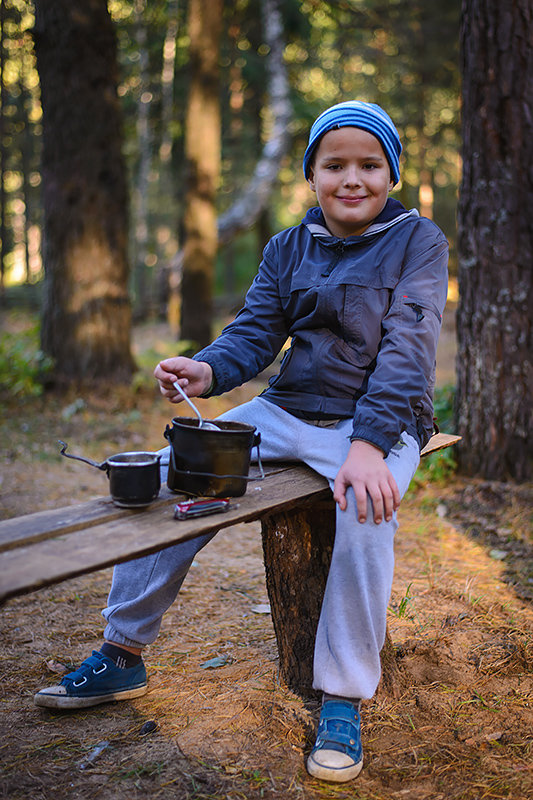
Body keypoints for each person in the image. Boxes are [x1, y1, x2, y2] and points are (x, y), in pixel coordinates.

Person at [34, 100, 449, 784]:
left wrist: (371, 446)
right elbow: (256, 333)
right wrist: (206, 368)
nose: (352, 179)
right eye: (334, 164)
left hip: (378, 421)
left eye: (369, 165)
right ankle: (122, 653)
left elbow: (408, 350)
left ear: (392, 174)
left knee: (365, 513)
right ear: (311, 174)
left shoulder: (418, 241)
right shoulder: (288, 247)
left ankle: (341, 695)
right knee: (172, 476)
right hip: (286, 410)